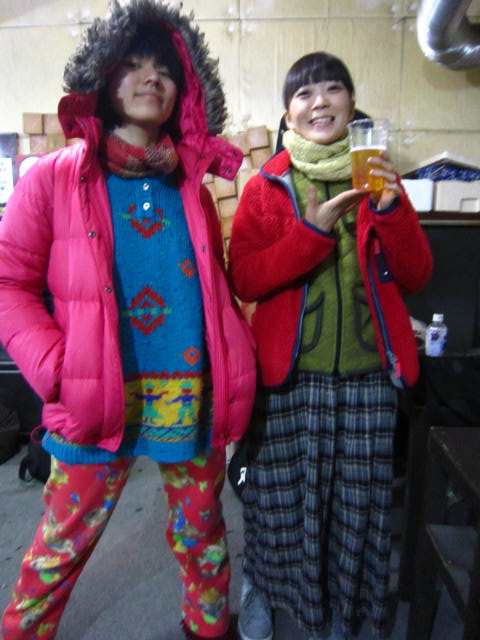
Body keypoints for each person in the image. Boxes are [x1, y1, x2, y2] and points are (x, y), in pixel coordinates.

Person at [0, 1, 256, 639]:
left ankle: (206, 630)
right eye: (133, 64)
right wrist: (56, 367)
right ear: (103, 77)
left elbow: (213, 289)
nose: (151, 78)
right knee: (61, 543)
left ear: (184, 90)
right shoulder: (54, 178)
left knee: (204, 535)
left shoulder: (193, 188)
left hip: (192, 398)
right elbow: (8, 283)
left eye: (165, 68)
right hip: (94, 397)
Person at [228, 52, 433, 640]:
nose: (320, 101)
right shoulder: (266, 187)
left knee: (356, 509)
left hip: (368, 376)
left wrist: (390, 211)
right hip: (290, 376)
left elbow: (417, 275)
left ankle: (345, 612)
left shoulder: (380, 180)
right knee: (278, 501)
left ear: (351, 103)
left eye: (333, 88)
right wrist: (310, 236)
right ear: (287, 113)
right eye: (304, 93)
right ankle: (262, 588)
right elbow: (245, 277)